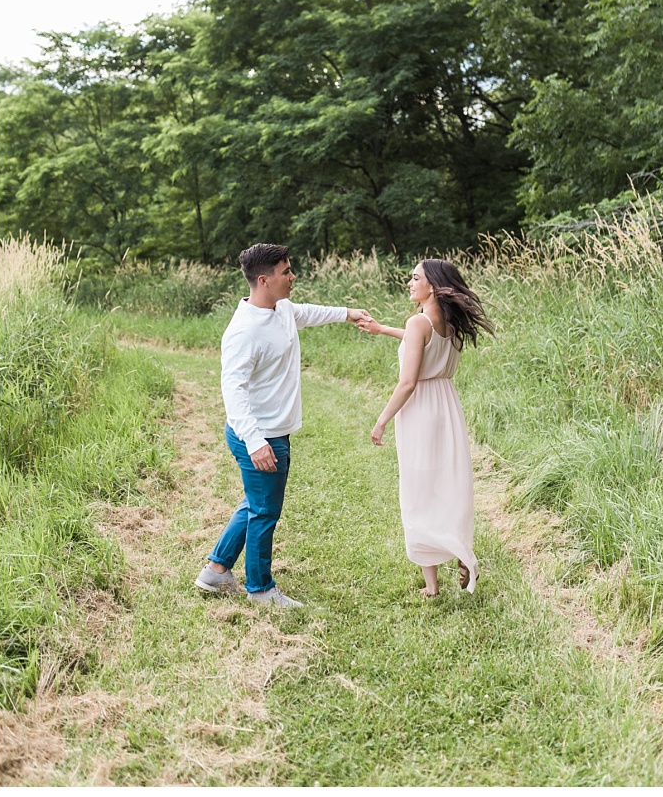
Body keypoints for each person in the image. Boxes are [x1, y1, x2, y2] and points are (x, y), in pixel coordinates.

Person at [195, 243, 371, 607]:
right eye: (286, 272)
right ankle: (260, 589)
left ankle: (216, 570)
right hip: (259, 436)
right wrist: (257, 442)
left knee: (256, 502)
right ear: (264, 280)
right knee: (265, 511)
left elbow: (307, 312)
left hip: (273, 432)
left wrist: (348, 313)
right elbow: (233, 390)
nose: (293, 277)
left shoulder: (282, 309)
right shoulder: (244, 332)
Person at [360, 259, 494, 597]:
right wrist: (382, 330)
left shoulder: (419, 321)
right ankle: (462, 551)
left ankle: (432, 586)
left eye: (415, 277)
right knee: (448, 485)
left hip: (419, 408)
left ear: (432, 286)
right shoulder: (450, 322)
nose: (409, 282)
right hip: (446, 406)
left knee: (420, 490)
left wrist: (381, 421)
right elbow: (420, 341)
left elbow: (407, 382)